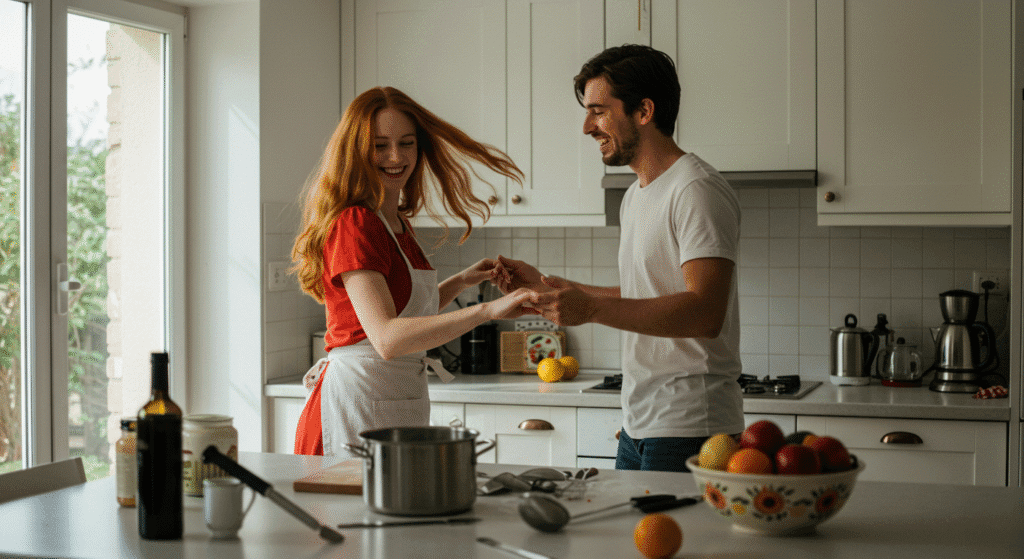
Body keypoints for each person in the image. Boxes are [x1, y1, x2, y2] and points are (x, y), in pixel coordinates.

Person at [494, 45, 743, 472]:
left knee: (670, 541)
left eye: (599, 111)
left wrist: (589, 308)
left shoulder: (695, 190)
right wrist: (546, 285)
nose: (587, 127)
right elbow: (646, 293)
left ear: (643, 111)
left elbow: (705, 312)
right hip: (639, 421)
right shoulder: (636, 194)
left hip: (691, 424)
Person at [292, 86, 537, 457]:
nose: (396, 156)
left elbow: (408, 314)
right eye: (380, 145)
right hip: (352, 408)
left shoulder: (395, 223)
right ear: (356, 151)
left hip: (390, 398)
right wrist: (488, 311)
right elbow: (388, 337)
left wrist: (463, 281)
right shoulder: (355, 223)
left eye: (406, 143)